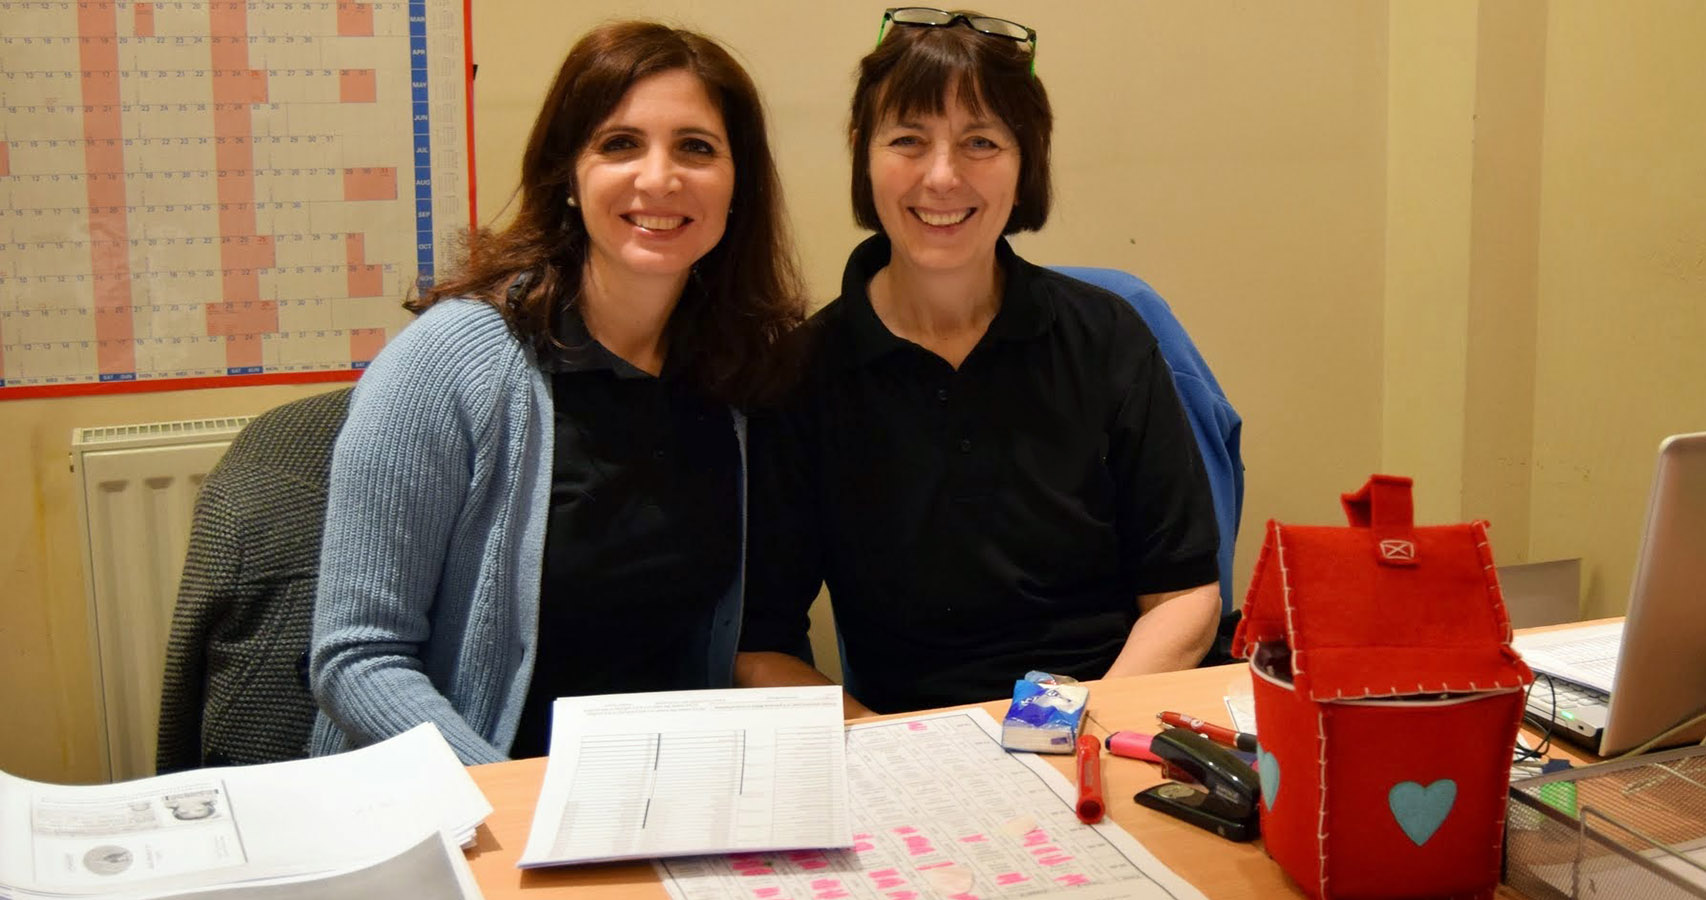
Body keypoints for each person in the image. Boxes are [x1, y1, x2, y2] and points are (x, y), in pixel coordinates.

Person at [309, 21, 804, 763]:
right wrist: (515, 803)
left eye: (697, 147)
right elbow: (357, 660)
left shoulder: (734, 373)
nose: (660, 178)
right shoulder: (450, 361)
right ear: (566, 175)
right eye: (620, 143)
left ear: (739, 184)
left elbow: (737, 636)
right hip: (470, 800)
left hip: (658, 801)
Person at [737, 8, 1221, 715]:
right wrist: (881, 745)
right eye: (908, 139)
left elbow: (1183, 595)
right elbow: (759, 649)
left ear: (1026, 161)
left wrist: (1076, 728)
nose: (942, 177)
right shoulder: (800, 374)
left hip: (1105, 719)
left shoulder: (1106, 335)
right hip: (911, 743)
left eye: (981, 142)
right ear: (861, 152)